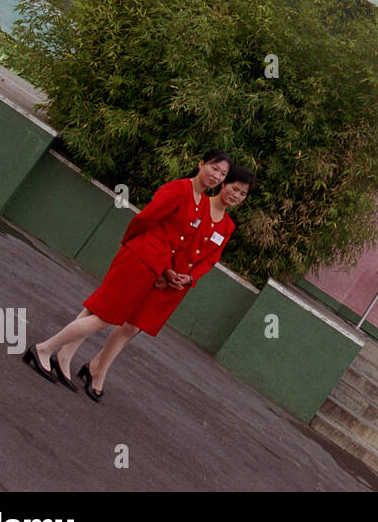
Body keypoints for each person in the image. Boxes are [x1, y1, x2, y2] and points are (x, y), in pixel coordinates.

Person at [22, 151, 238, 401]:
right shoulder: (179, 189)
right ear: (201, 164)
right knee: (105, 316)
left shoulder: (199, 200)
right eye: (214, 168)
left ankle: (63, 356)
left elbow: (179, 242)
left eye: (222, 173)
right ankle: (43, 349)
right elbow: (145, 218)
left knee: (101, 310)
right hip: (141, 257)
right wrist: (132, 246)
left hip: (154, 265)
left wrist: (166, 269)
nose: (216, 176)